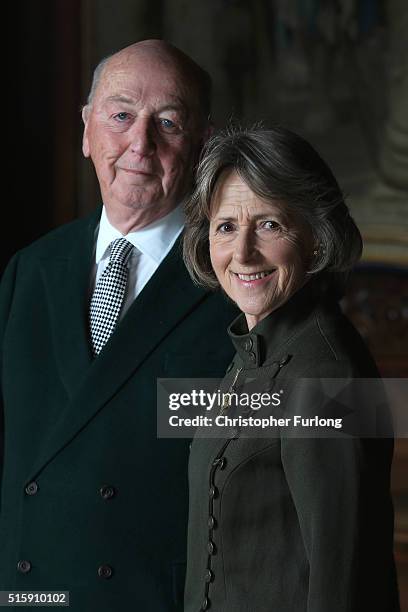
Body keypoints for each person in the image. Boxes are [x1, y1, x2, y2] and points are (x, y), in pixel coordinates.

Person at [0, 40, 236, 611]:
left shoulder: (239, 274)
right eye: (121, 115)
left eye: (169, 122)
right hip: (34, 595)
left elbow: (336, 415)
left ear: (203, 143)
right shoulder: (29, 269)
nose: (140, 142)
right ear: (87, 131)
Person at [182, 126, 400, 611]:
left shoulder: (325, 375)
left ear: (316, 239)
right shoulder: (250, 354)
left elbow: (344, 585)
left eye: (269, 225)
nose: (242, 254)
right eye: (225, 227)